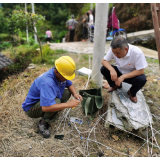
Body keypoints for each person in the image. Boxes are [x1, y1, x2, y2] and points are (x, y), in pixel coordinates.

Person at [22, 56, 83, 138]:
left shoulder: (60, 73)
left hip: (45, 99)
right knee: (56, 102)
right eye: (65, 77)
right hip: (31, 108)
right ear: (57, 72)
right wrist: (69, 104)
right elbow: (46, 108)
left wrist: (75, 94)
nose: (66, 79)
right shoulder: (48, 83)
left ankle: (55, 109)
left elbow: (69, 84)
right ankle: (43, 123)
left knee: (68, 92)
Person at [100, 37, 148, 103]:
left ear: (126, 49)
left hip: (131, 76)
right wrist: (112, 70)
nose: (115, 55)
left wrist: (123, 77)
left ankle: (131, 92)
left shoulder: (137, 52)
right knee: (103, 69)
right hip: (119, 72)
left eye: (117, 53)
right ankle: (115, 85)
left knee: (142, 79)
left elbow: (141, 71)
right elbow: (104, 61)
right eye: (114, 53)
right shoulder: (114, 50)